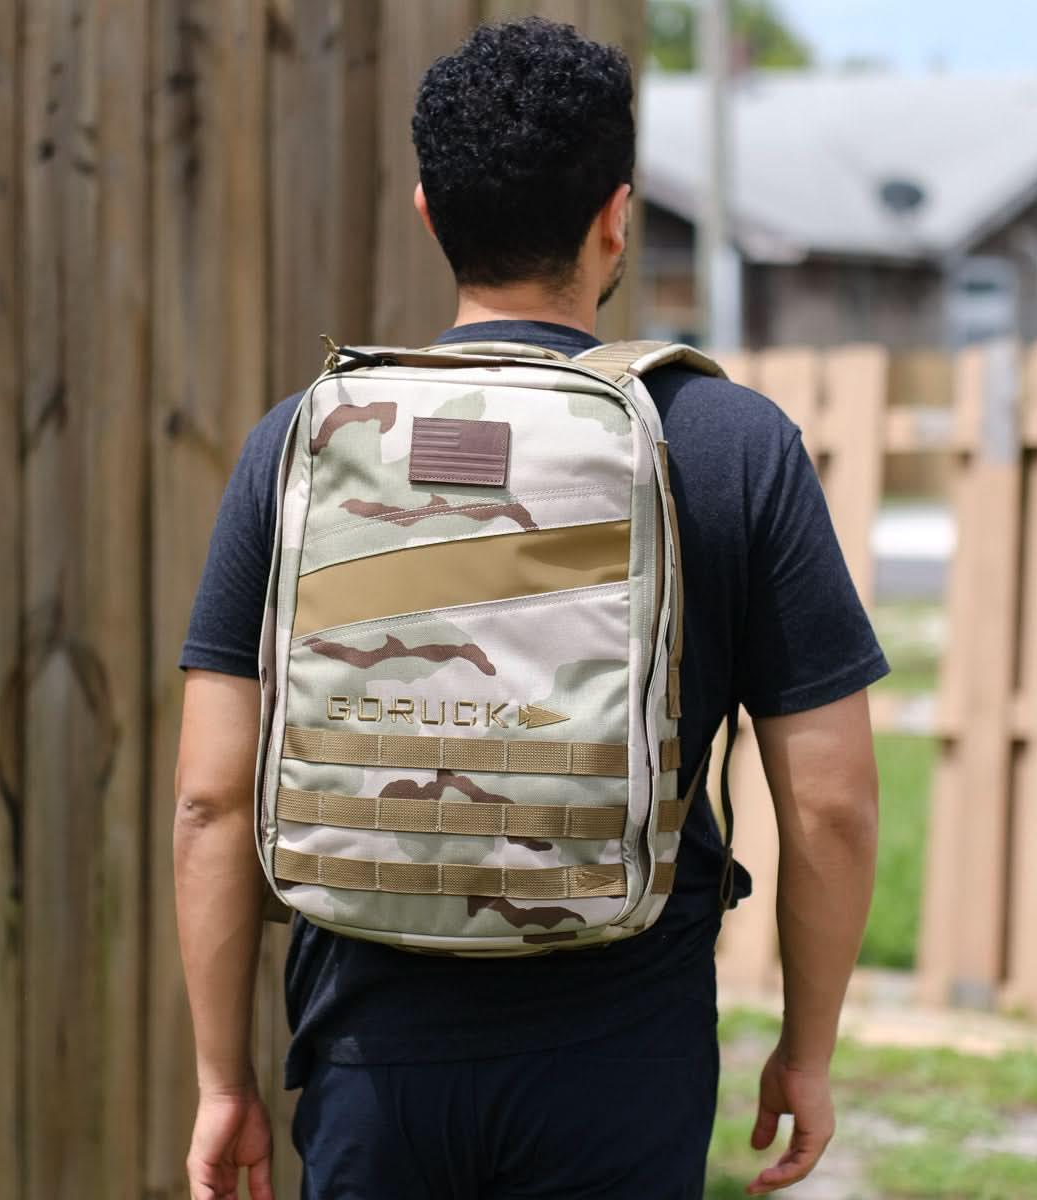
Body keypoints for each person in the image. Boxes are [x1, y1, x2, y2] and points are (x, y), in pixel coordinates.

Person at [174, 16, 885, 1200]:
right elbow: (834, 806)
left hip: (369, 1052)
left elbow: (207, 800)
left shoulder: (299, 446)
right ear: (617, 217)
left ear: (427, 212)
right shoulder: (730, 444)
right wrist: (806, 1052)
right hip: (621, 1054)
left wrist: (222, 1081)